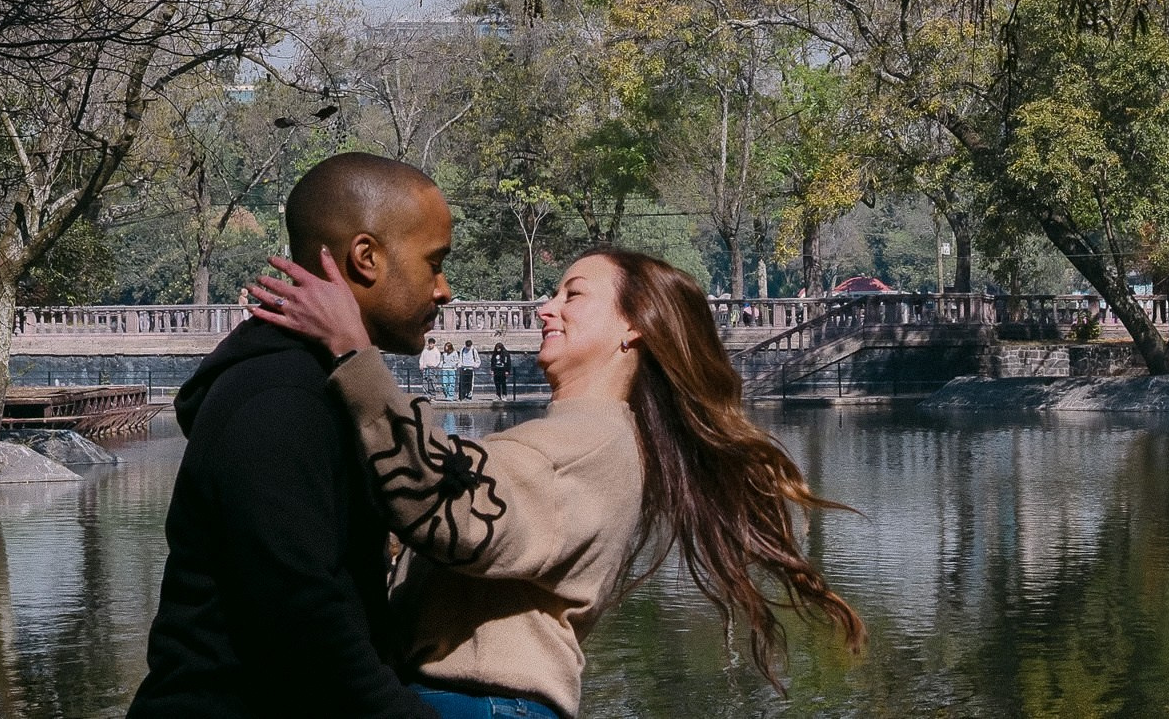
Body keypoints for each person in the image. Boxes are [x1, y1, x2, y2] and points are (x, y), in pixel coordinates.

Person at [253, 246, 865, 719]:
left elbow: (456, 519)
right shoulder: (585, 438)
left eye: (573, 295)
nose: (547, 308)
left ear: (634, 329)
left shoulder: (592, 443)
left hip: (479, 703)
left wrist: (354, 354)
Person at [126, 153, 453, 719]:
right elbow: (301, 618)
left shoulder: (318, 385)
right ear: (366, 257)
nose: (444, 290)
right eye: (435, 263)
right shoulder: (279, 398)